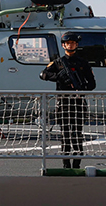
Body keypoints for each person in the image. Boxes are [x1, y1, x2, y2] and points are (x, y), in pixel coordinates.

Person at [40, 32, 96, 169]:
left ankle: (76, 165)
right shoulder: (59, 62)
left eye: (73, 43)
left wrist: (82, 89)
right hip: (63, 103)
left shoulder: (83, 63)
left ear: (77, 45)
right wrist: (59, 77)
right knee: (65, 134)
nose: (70, 45)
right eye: (68, 43)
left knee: (77, 134)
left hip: (77, 102)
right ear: (64, 45)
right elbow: (43, 74)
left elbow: (92, 84)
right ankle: (65, 164)